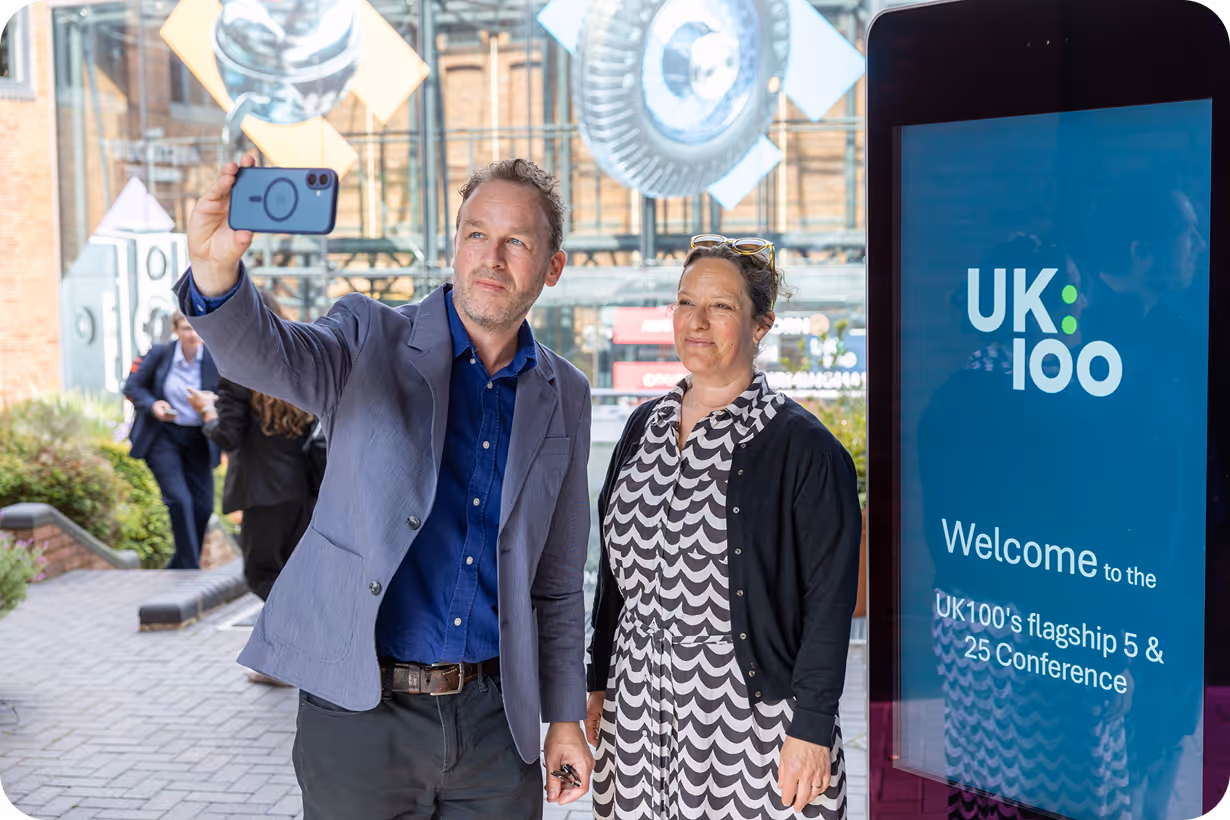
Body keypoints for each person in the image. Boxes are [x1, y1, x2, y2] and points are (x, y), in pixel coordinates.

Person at [176, 154, 595, 818]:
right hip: (359, 716)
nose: (492, 256)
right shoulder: (369, 336)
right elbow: (267, 354)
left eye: (517, 241)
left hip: (496, 729)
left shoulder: (565, 392)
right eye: (476, 234)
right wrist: (215, 269)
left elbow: (559, 579)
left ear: (551, 266)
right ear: (455, 245)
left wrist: (566, 718)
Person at [586, 235, 862, 819]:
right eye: (687, 303)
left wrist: (810, 729)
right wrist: (597, 682)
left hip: (751, 723)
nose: (698, 322)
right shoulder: (641, 428)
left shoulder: (804, 449)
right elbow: (614, 579)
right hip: (637, 712)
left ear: (760, 325)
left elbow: (829, 603)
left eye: (722, 307)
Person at [186, 289, 318, 606]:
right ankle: (304, 635)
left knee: (261, 575)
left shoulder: (237, 368)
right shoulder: (299, 358)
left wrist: (208, 412)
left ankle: (301, 631)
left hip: (262, 492)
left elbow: (228, 436)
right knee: (295, 572)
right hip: (305, 487)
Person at [123, 312, 220, 570]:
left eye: (198, 328)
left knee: (203, 506)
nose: (193, 334)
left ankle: (179, 566)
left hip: (198, 438)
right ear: (176, 330)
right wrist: (153, 404)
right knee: (179, 499)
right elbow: (132, 387)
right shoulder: (161, 353)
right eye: (187, 328)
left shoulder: (213, 359)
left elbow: (229, 396)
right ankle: (190, 569)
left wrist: (212, 407)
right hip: (164, 436)